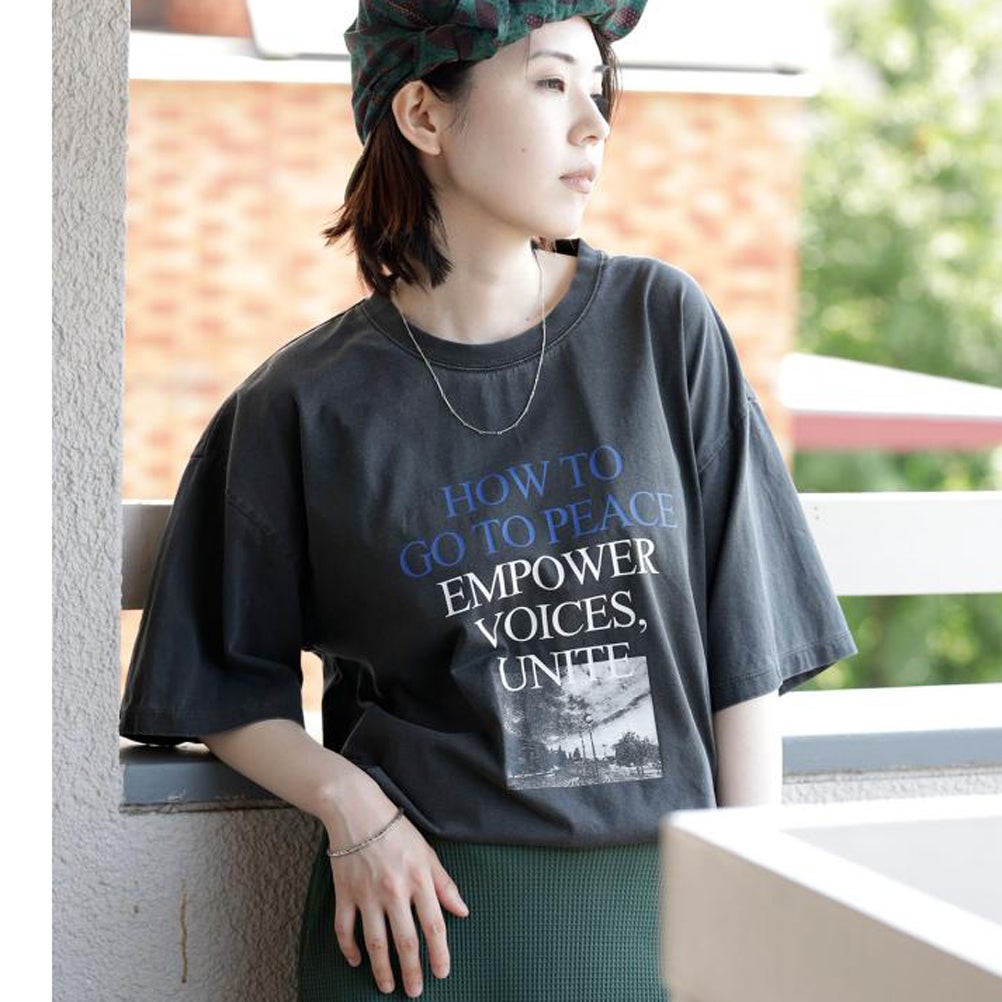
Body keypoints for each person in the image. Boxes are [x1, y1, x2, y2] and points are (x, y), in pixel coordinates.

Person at [120, 2, 858, 1000]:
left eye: (598, 88)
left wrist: (753, 904)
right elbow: (219, 682)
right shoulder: (304, 404)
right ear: (424, 113)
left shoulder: (662, 328)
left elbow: (746, 651)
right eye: (551, 83)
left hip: (660, 917)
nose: (594, 124)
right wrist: (351, 807)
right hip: (418, 934)